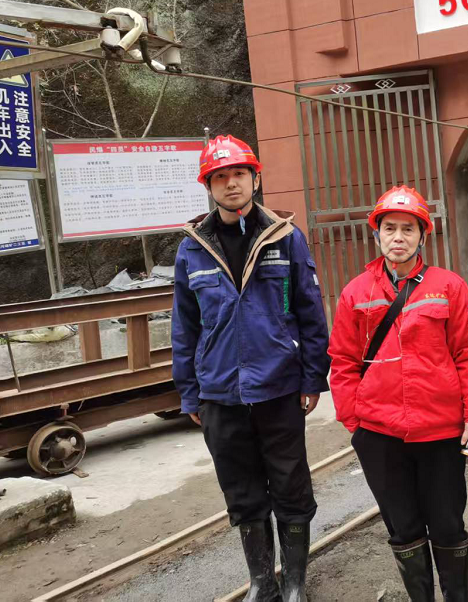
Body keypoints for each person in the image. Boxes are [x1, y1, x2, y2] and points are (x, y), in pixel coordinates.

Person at [171, 135, 330, 602]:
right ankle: (263, 582)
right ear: (209, 186)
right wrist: (189, 391)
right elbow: (184, 327)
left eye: (239, 173)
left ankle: (294, 582)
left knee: (290, 486)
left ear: (255, 179)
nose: (231, 183)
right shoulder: (192, 250)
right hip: (220, 393)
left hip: (278, 387)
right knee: (241, 492)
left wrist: (312, 376)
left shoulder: (285, 237)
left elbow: (310, 312)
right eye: (220, 176)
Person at [327, 185, 468, 602]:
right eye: (390, 228)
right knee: (403, 528)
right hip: (380, 434)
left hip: (441, 432)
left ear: (422, 235)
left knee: (448, 524)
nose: (398, 237)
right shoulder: (356, 293)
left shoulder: (449, 287)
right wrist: (355, 421)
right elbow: (342, 362)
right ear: (377, 234)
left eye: (408, 229)